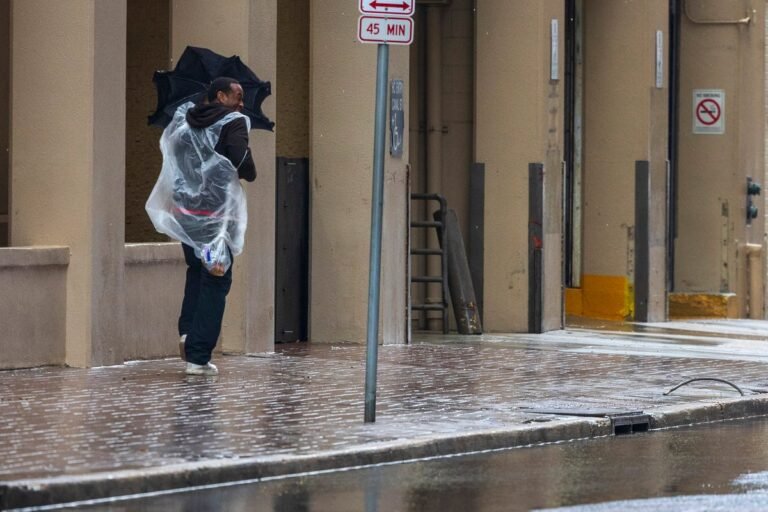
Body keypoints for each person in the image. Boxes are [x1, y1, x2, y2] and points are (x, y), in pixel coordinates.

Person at [146, 77, 256, 376]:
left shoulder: (185, 120)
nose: (242, 102)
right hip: (217, 222)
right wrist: (249, 166)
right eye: (237, 95)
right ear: (220, 95)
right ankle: (197, 355)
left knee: (197, 271)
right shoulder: (233, 123)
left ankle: (187, 331)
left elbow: (178, 161)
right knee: (216, 280)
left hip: (187, 216)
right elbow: (240, 162)